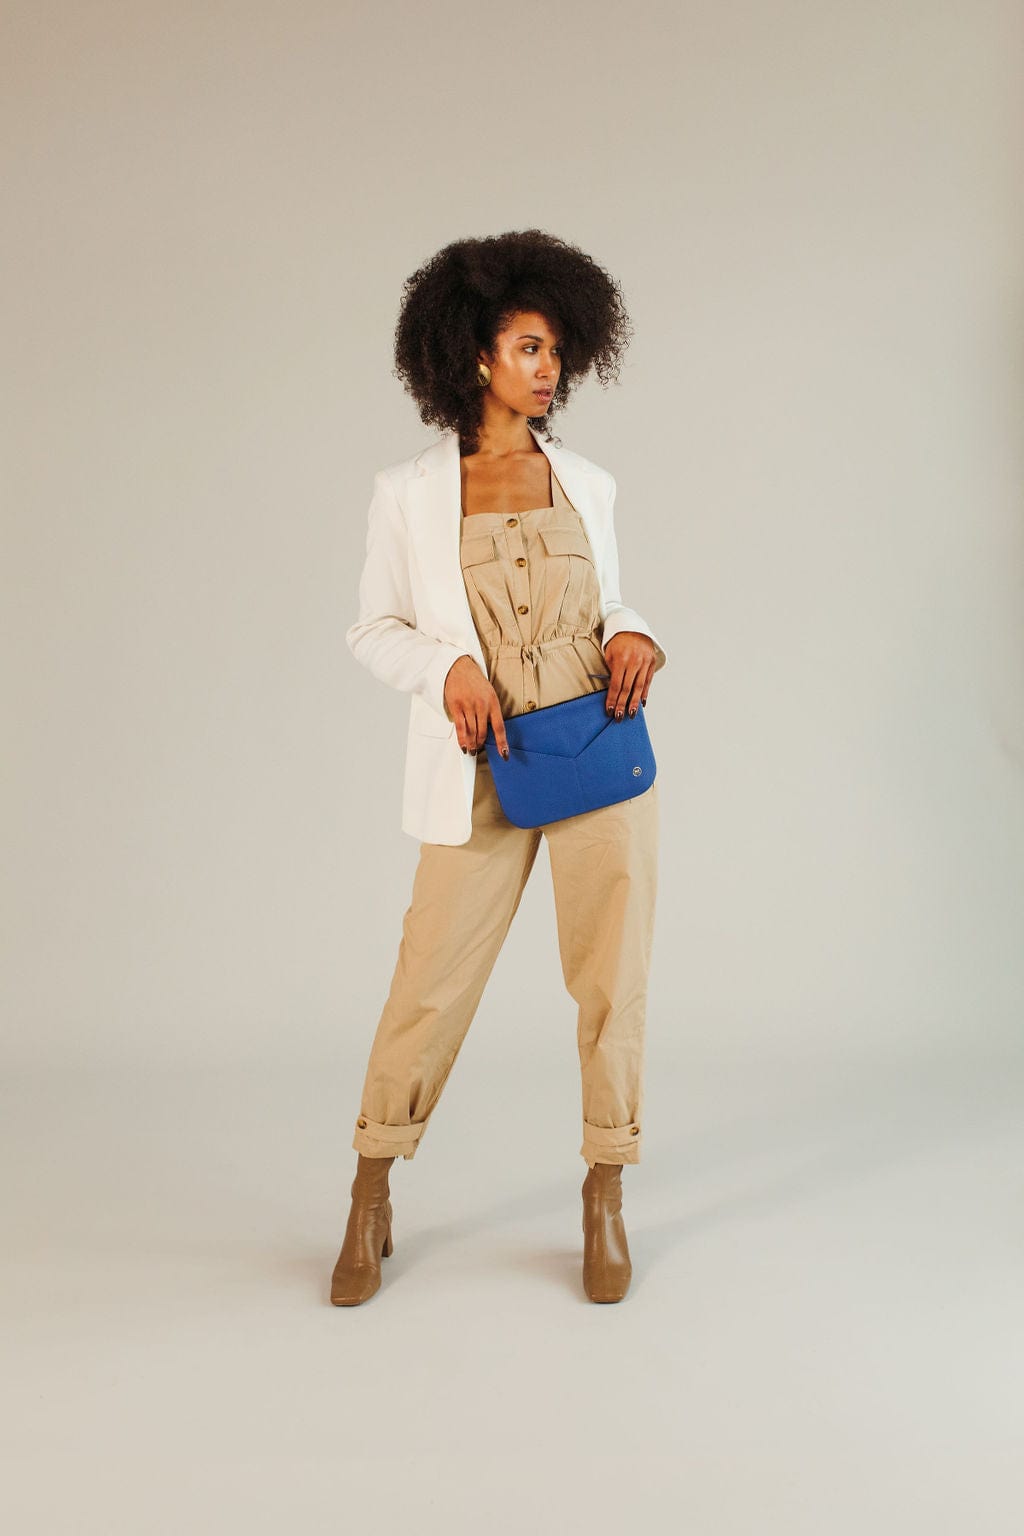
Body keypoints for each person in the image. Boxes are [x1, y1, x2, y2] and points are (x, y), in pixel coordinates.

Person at [330, 230, 667, 1306]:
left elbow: (610, 601)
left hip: (599, 745)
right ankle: (371, 1187)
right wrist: (446, 670)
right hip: (483, 759)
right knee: (429, 983)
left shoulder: (589, 482)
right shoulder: (409, 492)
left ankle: (605, 1188)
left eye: (556, 350)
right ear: (475, 355)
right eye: (529, 348)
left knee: (611, 981)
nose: (548, 367)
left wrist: (635, 632)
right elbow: (373, 628)